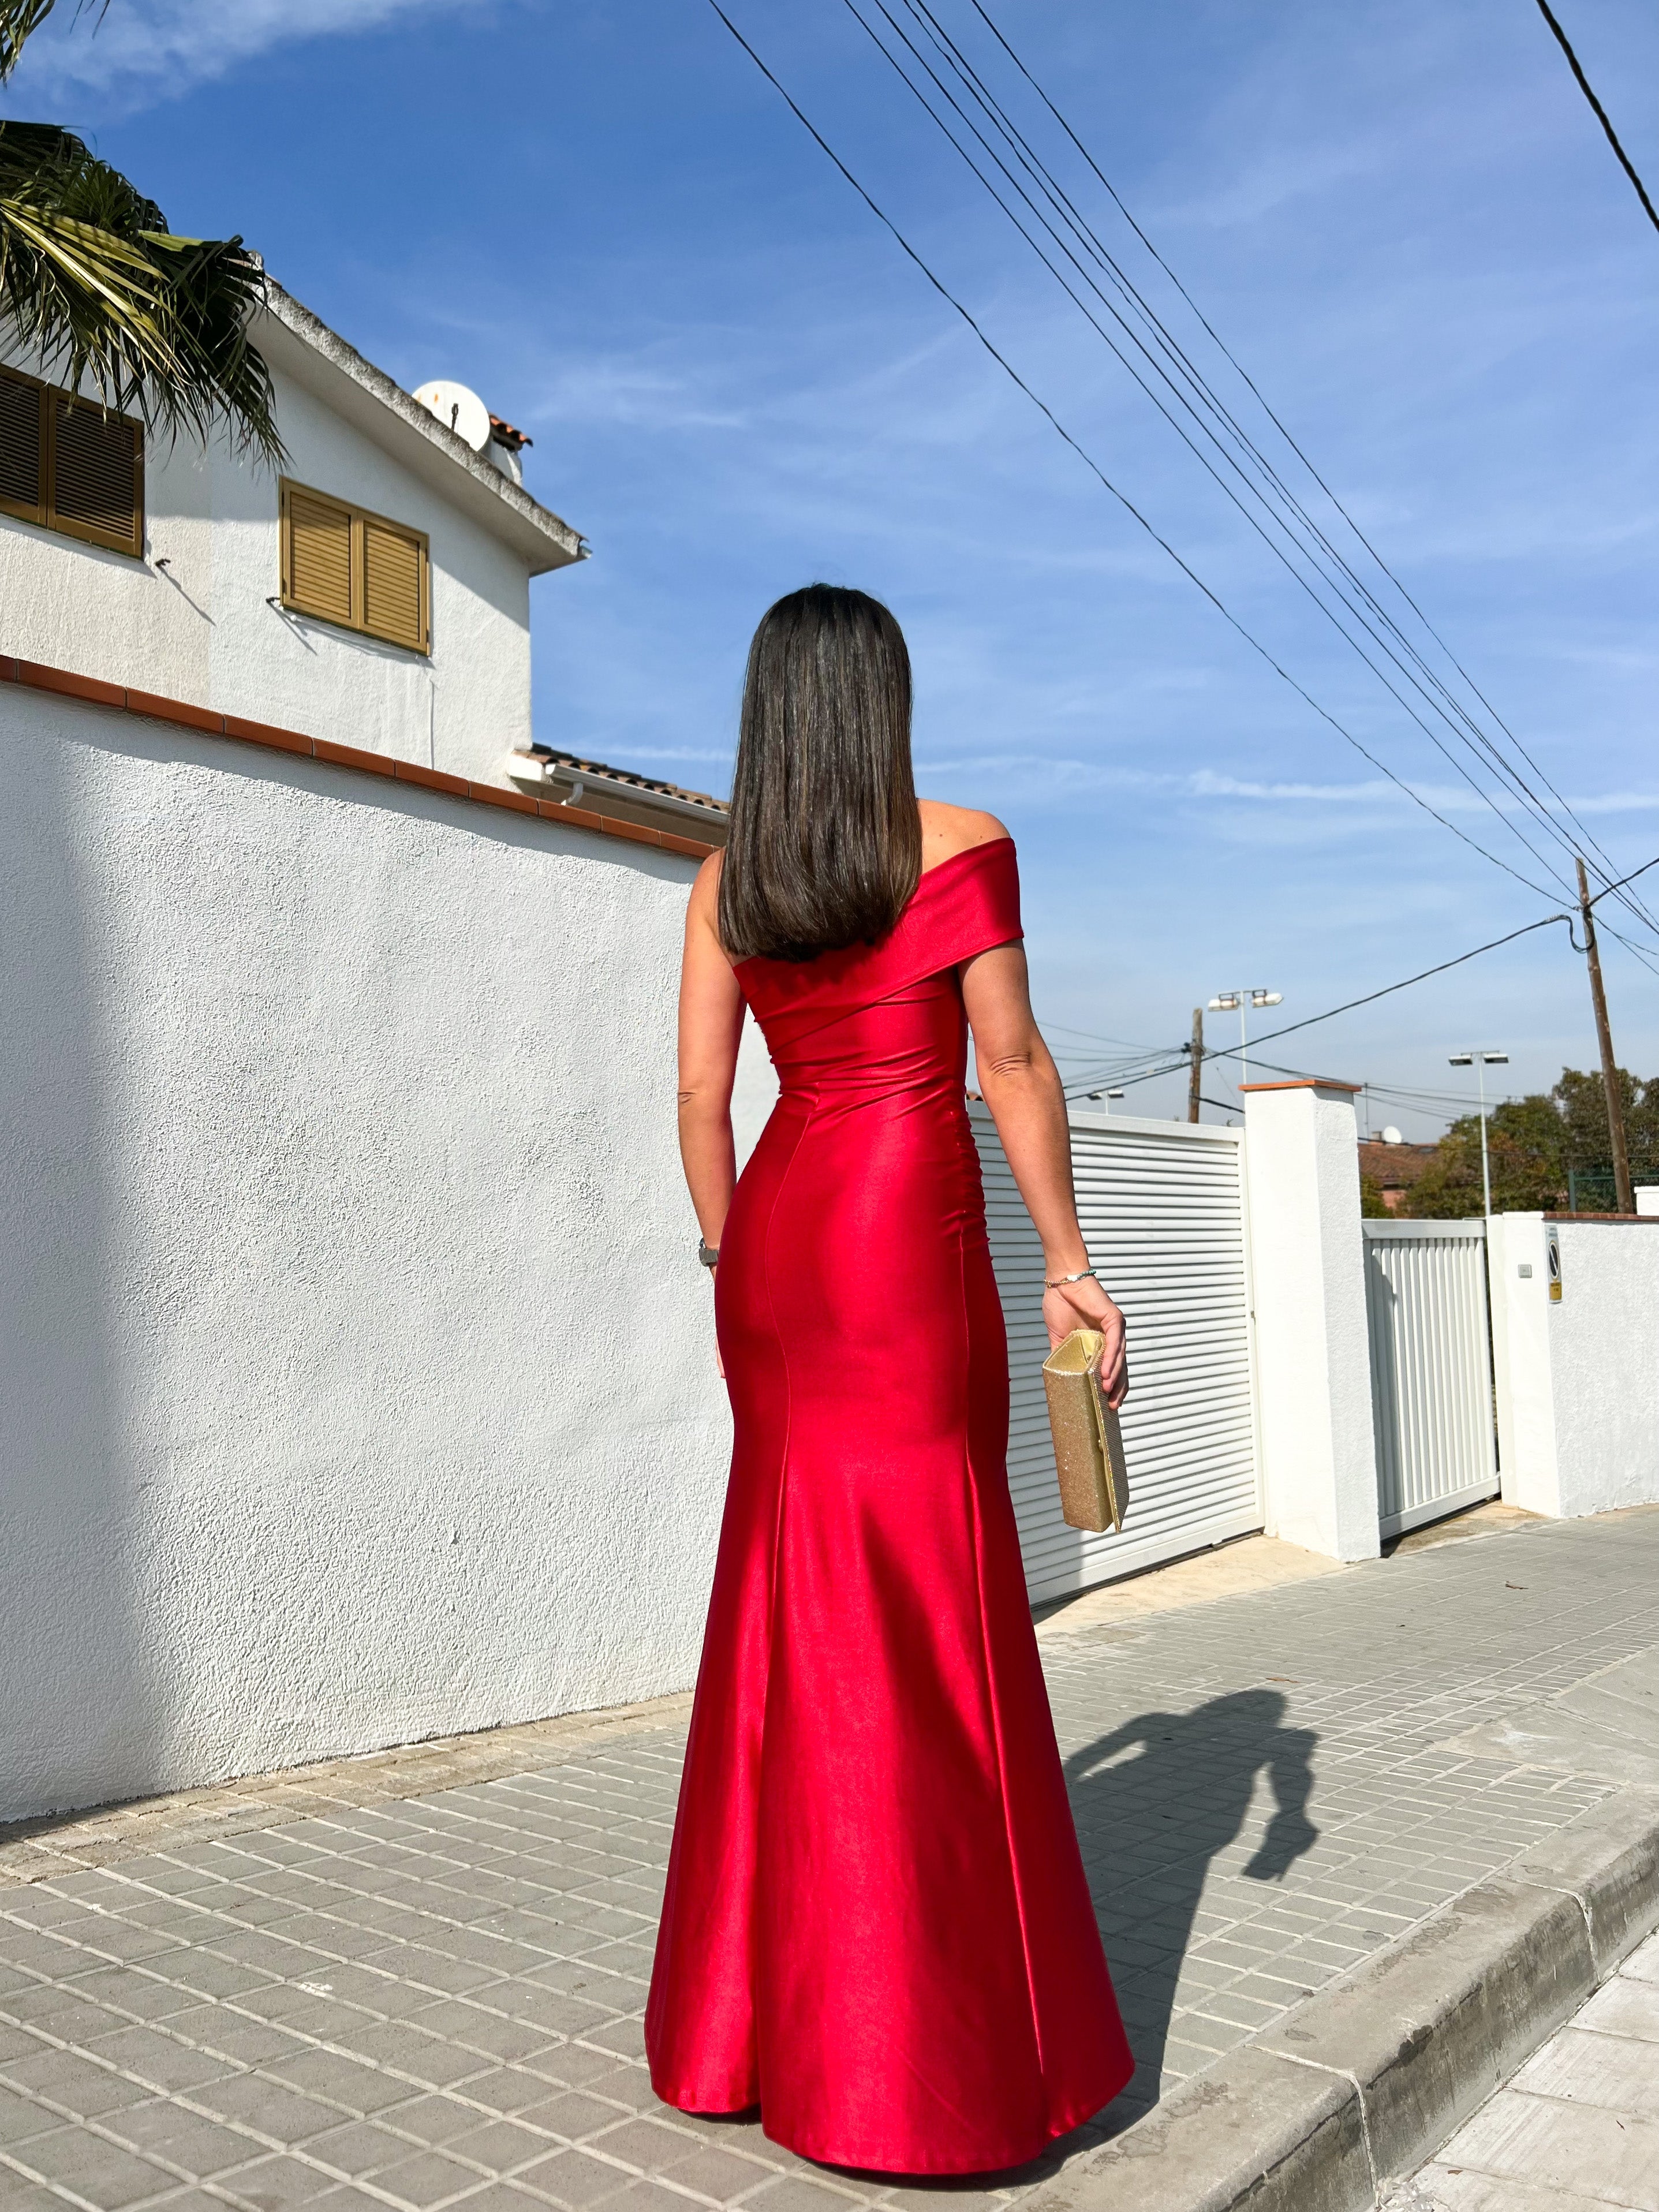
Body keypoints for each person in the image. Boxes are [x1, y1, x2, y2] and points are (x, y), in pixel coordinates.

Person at [645, 584, 1134, 2174]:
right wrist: (1069, 1260)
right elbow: (1011, 1063)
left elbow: (702, 1096)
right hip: (898, 1243)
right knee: (922, 1601)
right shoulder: (960, 840)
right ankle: (910, 2064)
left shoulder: (733, 876)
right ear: (884, 698)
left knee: (790, 1594)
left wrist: (736, 1257)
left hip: (780, 1241)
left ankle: (741, 2032)